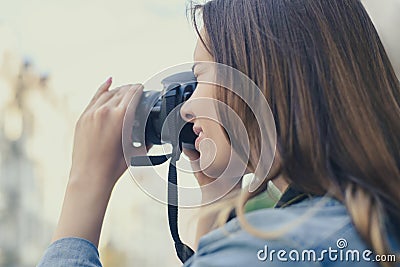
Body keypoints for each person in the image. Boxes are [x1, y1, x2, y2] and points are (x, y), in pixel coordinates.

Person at [37, 0, 400, 266]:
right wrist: (217, 195)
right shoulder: (361, 224)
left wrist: (85, 183)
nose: (188, 107)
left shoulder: (270, 247)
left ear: (260, 76)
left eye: (199, 78)